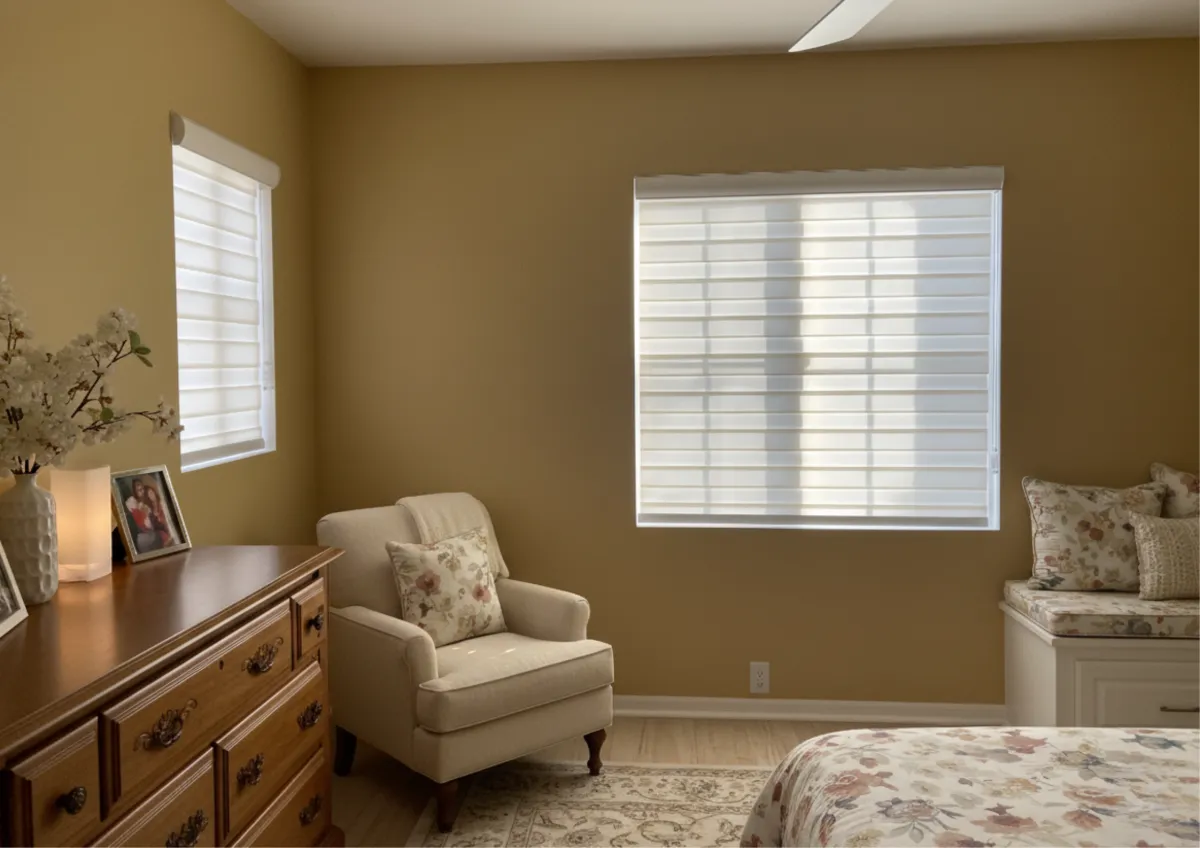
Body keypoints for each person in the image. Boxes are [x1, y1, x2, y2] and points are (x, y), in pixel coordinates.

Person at [125, 478, 159, 552]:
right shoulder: (132, 501)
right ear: (135, 492)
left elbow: (151, 525)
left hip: (152, 535)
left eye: (142, 489)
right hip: (141, 536)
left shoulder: (147, 505)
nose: (142, 491)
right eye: (139, 490)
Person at [143, 482, 178, 548]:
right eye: (149, 494)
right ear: (147, 497)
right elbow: (149, 525)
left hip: (170, 531)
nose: (152, 495)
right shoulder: (151, 511)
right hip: (162, 535)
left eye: (152, 492)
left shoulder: (162, 503)